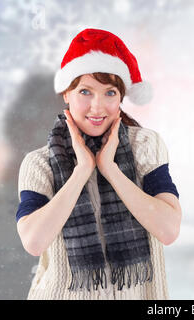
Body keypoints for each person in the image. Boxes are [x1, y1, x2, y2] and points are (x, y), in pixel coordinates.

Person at [15, 28, 181, 300]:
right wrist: (81, 171)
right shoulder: (39, 163)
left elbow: (168, 229)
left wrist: (111, 170)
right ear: (66, 93)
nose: (97, 106)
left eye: (110, 93)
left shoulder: (145, 146)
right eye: (85, 91)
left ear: (121, 96)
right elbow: (34, 241)